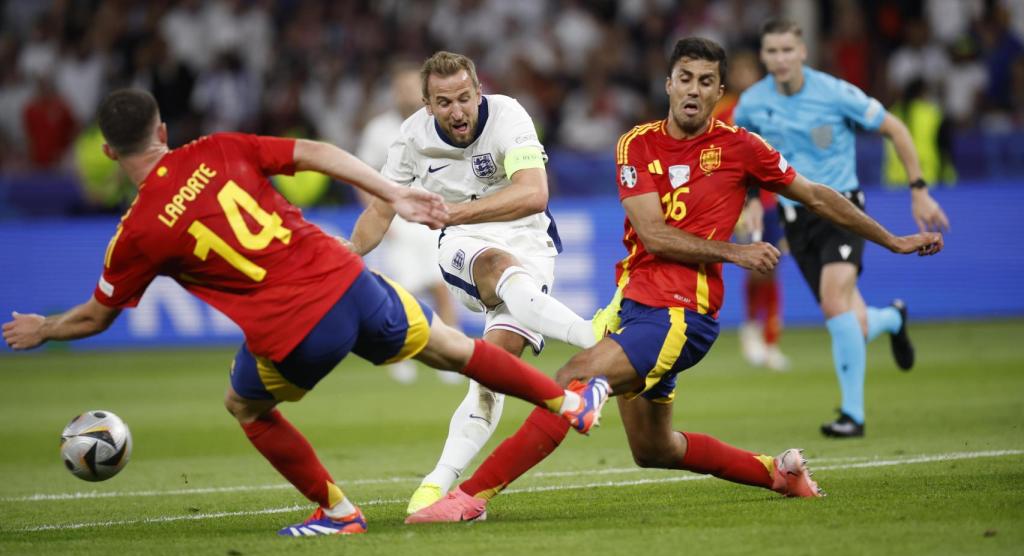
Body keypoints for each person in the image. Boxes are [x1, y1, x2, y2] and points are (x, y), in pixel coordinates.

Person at [1, 88, 611, 536]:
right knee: (454, 347)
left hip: (294, 329)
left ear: (107, 150)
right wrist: (392, 191)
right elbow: (315, 151)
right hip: (349, 279)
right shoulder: (216, 149)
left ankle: (337, 512)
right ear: (162, 130)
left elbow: (96, 317)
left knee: (244, 404)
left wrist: (46, 328)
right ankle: (570, 402)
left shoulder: (134, 235)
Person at [405, 37, 943, 524]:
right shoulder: (636, 146)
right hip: (632, 307)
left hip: (681, 316)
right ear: (669, 84)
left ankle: (467, 498)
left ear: (719, 92)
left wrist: (892, 239)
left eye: (706, 82)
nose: (694, 90)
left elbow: (820, 195)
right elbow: (654, 235)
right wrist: (736, 251)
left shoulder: (741, 147)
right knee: (654, 449)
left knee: (570, 380)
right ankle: (779, 474)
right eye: (685, 78)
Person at [349, 51, 597, 514]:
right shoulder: (410, 139)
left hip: (531, 242)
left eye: (465, 97)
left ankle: (436, 486)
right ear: (427, 106)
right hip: (463, 244)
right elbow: (380, 210)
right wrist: (344, 258)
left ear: (478, 92)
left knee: (491, 376)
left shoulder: (508, 115)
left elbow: (534, 193)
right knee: (496, 265)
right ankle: (593, 336)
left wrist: (453, 210)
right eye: (444, 102)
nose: (457, 110)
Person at [733, 20, 951, 437]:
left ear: (803, 53)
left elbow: (895, 128)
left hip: (844, 211)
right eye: (771, 51)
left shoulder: (834, 93)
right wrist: (748, 202)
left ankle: (853, 415)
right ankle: (893, 319)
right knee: (852, 322)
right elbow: (741, 158)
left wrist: (919, 189)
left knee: (834, 304)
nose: (779, 59)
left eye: (786, 50)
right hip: (795, 219)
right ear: (763, 56)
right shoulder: (751, 105)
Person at [354, 61, 462, 385]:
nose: (404, 93)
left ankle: (454, 355)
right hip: (397, 221)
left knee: (443, 286)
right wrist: (377, 219)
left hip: (433, 216)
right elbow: (362, 175)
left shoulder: (436, 123)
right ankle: (399, 355)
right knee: (402, 290)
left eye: (409, 87)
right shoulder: (379, 129)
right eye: (398, 87)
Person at [714, 50, 790, 371]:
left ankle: (770, 339)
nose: (745, 76)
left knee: (772, 267)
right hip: (744, 204)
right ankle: (751, 328)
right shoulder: (724, 111)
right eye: (740, 71)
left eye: (750, 70)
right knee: (756, 265)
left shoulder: (774, 109)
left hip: (775, 200)